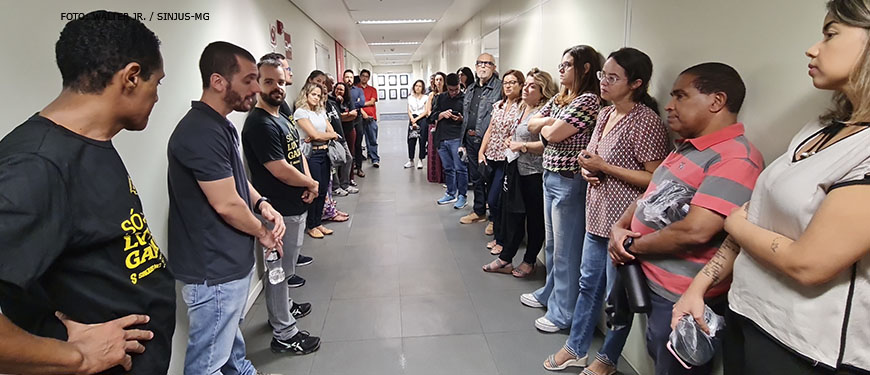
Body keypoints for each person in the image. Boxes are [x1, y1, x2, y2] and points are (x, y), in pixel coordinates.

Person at [673, 2, 870, 373]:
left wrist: (736, 223)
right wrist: (698, 286)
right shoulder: (819, 129)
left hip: (804, 349)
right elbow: (758, 214)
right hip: (746, 313)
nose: (813, 48)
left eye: (830, 34)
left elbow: (808, 264)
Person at [0, 11, 174, 374]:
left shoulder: (92, 140)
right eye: (156, 83)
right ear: (131, 77)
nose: (157, 96)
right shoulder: (36, 165)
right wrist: (76, 357)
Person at [600, 62, 764, 375]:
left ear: (716, 101)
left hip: (681, 297)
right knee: (656, 356)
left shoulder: (735, 158)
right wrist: (620, 226)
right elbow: (651, 193)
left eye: (680, 96)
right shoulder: (688, 146)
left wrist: (631, 244)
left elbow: (696, 231)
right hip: (651, 281)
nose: (669, 105)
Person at [541, 48, 671, 372]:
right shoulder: (604, 113)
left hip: (624, 224)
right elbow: (593, 155)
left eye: (613, 78)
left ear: (636, 84)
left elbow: (656, 178)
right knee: (587, 284)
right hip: (596, 216)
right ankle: (576, 347)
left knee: (616, 297)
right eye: (603, 75)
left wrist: (605, 167)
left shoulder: (645, 121)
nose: (604, 82)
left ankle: (607, 358)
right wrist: (588, 168)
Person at [168, 41, 286, 375]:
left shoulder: (221, 124)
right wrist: (263, 232)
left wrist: (262, 203)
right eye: (249, 80)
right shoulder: (199, 132)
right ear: (219, 81)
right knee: (207, 362)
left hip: (227, 262)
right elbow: (226, 203)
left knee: (228, 338)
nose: (255, 89)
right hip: (212, 268)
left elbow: (235, 182)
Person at [241, 58, 321, 355]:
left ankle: (285, 307)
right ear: (256, 84)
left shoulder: (281, 113)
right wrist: (310, 185)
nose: (277, 87)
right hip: (276, 212)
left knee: (286, 268)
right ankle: (284, 333)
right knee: (278, 271)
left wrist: (309, 183)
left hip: (295, 204)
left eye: (280, 81)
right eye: (268, 82)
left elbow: (297, 154)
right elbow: (278, 167)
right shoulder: (259, 123)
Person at [520, 45, 602, 333]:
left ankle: (563, 312)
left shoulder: (589, 100)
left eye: (567, 64)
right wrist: (551, 121)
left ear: (585, 68)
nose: (561, 68)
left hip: (570, 181)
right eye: (561, 63)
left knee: (567, 251)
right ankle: (549, 294)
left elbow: (552, 134)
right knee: (553, 246)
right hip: (550, 175)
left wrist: (551, 123)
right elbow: (531, 124)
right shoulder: (560, 97)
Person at [481, 68, 557, 277]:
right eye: (527, 85)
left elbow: (547, 144)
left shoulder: (544, 113)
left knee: (534, 219)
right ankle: (506, 258)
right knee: (513, 216)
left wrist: (521, 146)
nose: (526, 89)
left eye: (533, 86)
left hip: (535, 173)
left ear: (543, 91)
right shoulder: (522, 107)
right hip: (516, 170)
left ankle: (529, 260)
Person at [478, 70, 525, 255]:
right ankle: (498, 236)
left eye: (513, 82)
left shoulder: (522, 107)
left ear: (520, 85)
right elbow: (490, 130)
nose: (508, 85)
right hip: (491, 156)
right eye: (506, 82)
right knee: (494, 200)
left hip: (508, 159)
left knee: (497, 200)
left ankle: (504, 240)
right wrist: (481, 151)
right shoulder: (498, 105)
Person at [459, 53, 503, 228]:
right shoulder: (470, 89)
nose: (483, 66)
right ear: (476, 67)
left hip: (489, 141)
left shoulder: (499, 88)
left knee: (491, 179)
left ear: (493, 67)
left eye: (488, 63)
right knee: (476, 177)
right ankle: (479, 211)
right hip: (470, 139)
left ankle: (494, 218)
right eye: (480, 63)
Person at [294, 83, 340, 239]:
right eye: (313, 94)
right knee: (314, 189)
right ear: (306, 94)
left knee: (323, 190)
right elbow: (315, 135)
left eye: (319, 95)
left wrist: (321, 135)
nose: (316, 98)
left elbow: (332, 132)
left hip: (325, 153)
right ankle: (311, 225)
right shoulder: (301, 113)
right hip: (311, 155)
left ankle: (318, 222)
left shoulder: (321, 112)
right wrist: (320, 135)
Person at [430, 73, 468, 208]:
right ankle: (451, 193)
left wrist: (461, 119)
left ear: (460, 86)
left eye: (456, 90)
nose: (453, 93)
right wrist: (440, 115)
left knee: (460, 168)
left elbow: (471, 119)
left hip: (457, 138)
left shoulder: (465, 98)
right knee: (448, 168)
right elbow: (431, 116)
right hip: (441, 137)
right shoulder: (440, 98)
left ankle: (462, 195)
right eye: (451, 90)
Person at [331, 82, 360, 193]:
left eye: (341, 89)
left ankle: (346, 182)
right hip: (336, 133)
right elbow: (336, 118)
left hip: (347, 131)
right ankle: (336, 186)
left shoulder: (348, 101)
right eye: (337, 89)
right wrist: (346, 115)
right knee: (338, 159)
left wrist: (342, 116)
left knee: (349, 157)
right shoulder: (332, 102)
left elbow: (354, 114)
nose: (339, 91)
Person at [427, 72, 448, 183]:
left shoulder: (448, 94)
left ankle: (446, 176)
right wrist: (435, 118)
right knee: (434, 150)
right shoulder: (432, 95)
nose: (439, 82)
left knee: (445, 150)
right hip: (434, 124)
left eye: (441, 79)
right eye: (437, 80)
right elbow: (428, 111)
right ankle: (435, 175)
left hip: (445, 125)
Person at [406, 79, 429, 169]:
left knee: (422, 139)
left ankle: (420, 159)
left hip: (422, 118)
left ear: (422, 88)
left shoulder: (425, 97)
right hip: (412, 118)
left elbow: (426, 111)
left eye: (420, 86)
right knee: (411, 139)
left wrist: (417, 119)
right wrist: (413, 120)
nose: (418, 88)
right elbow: (408, 110)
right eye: (416, 86)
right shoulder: (410, 97)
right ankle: (411, 160)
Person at [359, 69, 381, 167]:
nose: (364, 78)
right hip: (358, 118)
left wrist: (360, 103)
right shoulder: (356, 89)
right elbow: (353, 102)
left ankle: (375, 159)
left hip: (371, 118)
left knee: (372, 139)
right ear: (360, 77)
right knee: (358, 140)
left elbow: (372, 102)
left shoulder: (372, 89)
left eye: (366, 76)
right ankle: (358, 159)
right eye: (363, 76)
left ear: (368, 78)